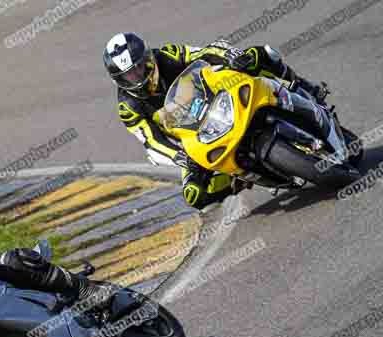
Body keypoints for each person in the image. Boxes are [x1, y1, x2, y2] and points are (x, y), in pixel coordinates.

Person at [104, 32, 329, 209]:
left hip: (215, 101)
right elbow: (151, 142)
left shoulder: (167, 55)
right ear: (118, 79)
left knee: (260, 55)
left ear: (148, 59)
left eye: (140, 67)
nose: (137, 76)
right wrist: (181, 157)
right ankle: (237, 180)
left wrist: (230, 56)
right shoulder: (127, 107)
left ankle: (302, 87)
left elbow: (204, 52)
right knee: (194, 194)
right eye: (129, 75)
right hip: (194, 139)